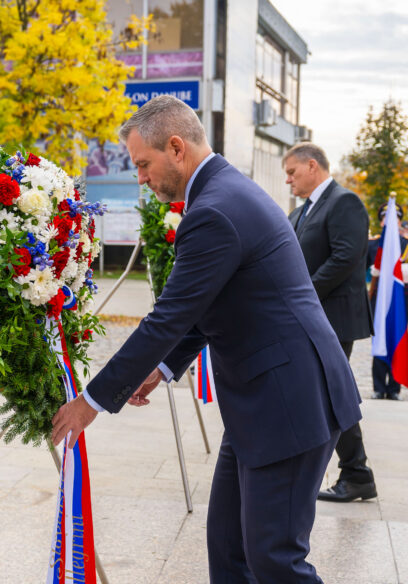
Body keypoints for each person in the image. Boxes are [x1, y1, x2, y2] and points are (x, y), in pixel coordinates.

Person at [51, 96, 362, 582]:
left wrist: (91, 400)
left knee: (275, 561)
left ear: (176, 147)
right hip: (264, 403)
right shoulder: (223, 193)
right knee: (229, 550)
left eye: (143, 164)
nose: (141, 178)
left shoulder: (215, 209)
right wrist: (162, 367)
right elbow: (205, 307)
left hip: (287, 405)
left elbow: (169, 315)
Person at [283, 142, 377, 504]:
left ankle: (356, 474)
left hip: (334, 318)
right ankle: (352, 473)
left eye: (292, 172)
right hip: (309, 317)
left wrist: (300, 294)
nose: (289, 180)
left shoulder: (344, 202)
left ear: (312, 166)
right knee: (323, 393)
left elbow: (345, 258)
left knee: (333, 393)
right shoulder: (299, 213)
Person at [368, 203, 407, 401]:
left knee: (397, 338)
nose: (388, 221)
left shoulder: (405, 244)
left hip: (401, 300)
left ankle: (393, 388)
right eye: (384, 218)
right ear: (381, 220)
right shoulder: (373, 245)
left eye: (393, 218)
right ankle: (378, 387)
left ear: (398, 221)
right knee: (380, 340)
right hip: (378, 300)